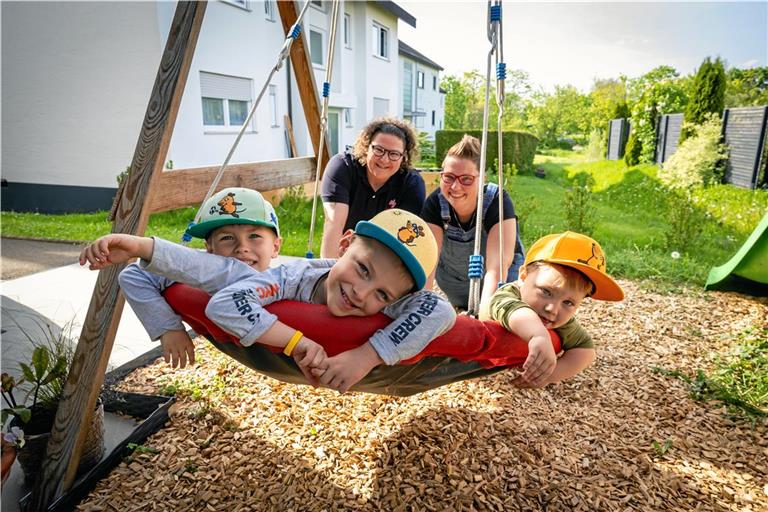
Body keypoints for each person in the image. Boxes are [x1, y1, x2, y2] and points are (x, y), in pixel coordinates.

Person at [80, 209, 455, 393]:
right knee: (236, 276)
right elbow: (223, 302)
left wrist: (367, 355)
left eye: (383, 295)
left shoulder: (388, 301)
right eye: (362, 269)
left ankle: (144, 247)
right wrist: (296, 340)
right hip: (273, 316)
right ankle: (143, 246)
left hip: (366, 361)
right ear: (344, 245)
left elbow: (439, 309)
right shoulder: (292, 276)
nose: (361, 293)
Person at [118, 187, 282, 369]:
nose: (242, 247)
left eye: (254, 236)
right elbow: (134, 274)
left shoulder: (289, 280)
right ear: (209, 248)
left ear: (275, 247)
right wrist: (169, 328)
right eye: (227, 237)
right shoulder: (202, 270)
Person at [488, 231, 624, 388]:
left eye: (568, 303)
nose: (552, 309)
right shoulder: (508, 294)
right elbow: (513, 310)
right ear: (523, 277)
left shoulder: (564, 322)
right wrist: (538, 335)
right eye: (546, 292)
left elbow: (585, 350)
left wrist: (547, 375)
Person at [420, 134, 525, 317]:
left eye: (466, 179)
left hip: (502, 279)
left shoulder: (497, 201)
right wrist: (421, 310)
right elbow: (428, 264)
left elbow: (496, 268)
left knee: (502, 312)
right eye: (449, 177)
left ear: (481, 178)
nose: (455, 187)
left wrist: (485, 318)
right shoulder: (435, 204)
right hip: (455, 282)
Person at [320, 117, 424, 258]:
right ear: (366, 147)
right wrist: (328, 275)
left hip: (383, 256)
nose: (384, 159)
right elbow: (334, 224)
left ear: (403, 157)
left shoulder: (411, 184)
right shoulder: (342, 167)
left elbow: (403, 241)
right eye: (378, 150)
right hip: (343, 249)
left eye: (394, 154)